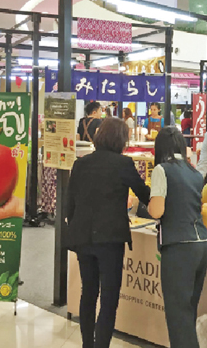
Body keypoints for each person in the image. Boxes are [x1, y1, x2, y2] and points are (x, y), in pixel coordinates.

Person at [66, 117, 150, 348]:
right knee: (109, 298)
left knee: (88, 292)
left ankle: (87, 345)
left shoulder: (80, 164)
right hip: (110, 239)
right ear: (121, 140)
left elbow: (70, 204)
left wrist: (76, 226)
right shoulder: (123, 164)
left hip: (83, 236)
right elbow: (144, 195)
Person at [148, 127, 207, 348]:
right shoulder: (194, 173)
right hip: (202, 245)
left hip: (179, 247)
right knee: (188, 311)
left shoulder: (162, 170)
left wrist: (149, 203)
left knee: (177, 316)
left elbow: (157, 211)